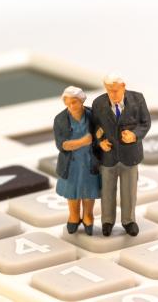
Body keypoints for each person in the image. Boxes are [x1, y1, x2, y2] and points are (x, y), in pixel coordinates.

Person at [92, 74, 151, 237]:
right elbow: (94, 126)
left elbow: (145, 123)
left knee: (129, 190)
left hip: (130, 155)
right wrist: (100, 141)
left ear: (123, 86)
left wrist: (134, 135)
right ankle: (107, 221)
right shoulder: (98, 103)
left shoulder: (137, 99)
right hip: (108, 156)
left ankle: (129, 221)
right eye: (109, 90)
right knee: (107, 192)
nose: (112, 94)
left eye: (115, 90)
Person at [53, 86, 100, 235]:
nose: (72, 106)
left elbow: (101, 132)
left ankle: (88, 216)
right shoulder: (60, 119)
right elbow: (62, 145)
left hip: (90, 161)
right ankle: (73, 216)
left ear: (82, 100)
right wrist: (83, 142)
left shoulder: (92, 115)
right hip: (70, 164)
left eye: (75, 102)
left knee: (89, 192)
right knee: (72, 193)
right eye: (68, 102)